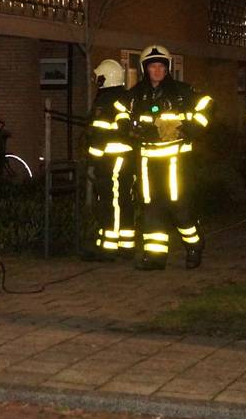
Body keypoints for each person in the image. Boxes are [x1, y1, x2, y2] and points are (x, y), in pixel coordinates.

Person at [123, 44, 212, 270]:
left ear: (167, 68)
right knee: (151, 207)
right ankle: (155, 257)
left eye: (161, 66)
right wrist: (132, 129)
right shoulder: (135, 95)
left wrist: (191, 128)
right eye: (153, 66)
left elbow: (207, 105)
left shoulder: (182, 92)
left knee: (179, 206)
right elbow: (120, 114)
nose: (157, 71)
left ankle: (194, 246)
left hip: (176, 162)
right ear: (145, 69)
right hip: (147, 161)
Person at [87, 59, 135, 258]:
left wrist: (94, 159)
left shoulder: (110, 101)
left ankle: (110, 247)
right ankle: (125, 244)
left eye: (99, 77)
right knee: (122, 199)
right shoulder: (119, 98)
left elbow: (103, 133)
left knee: (111, 201)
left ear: (105, 78)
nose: (96, 80)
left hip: (113, 158)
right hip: (118, 157)